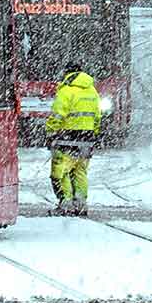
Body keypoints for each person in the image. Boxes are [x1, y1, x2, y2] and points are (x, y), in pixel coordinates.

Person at [45, 61, 102, 215]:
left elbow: (58, 114)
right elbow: (97, 116)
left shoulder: (66, 90)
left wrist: (50, 131)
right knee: (80, 170)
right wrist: (93, 132)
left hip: (66, 136)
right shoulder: (92, 91)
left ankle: (66, 203)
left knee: (60, 171)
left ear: (67, 73)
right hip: (87, 136)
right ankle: (81, 203)